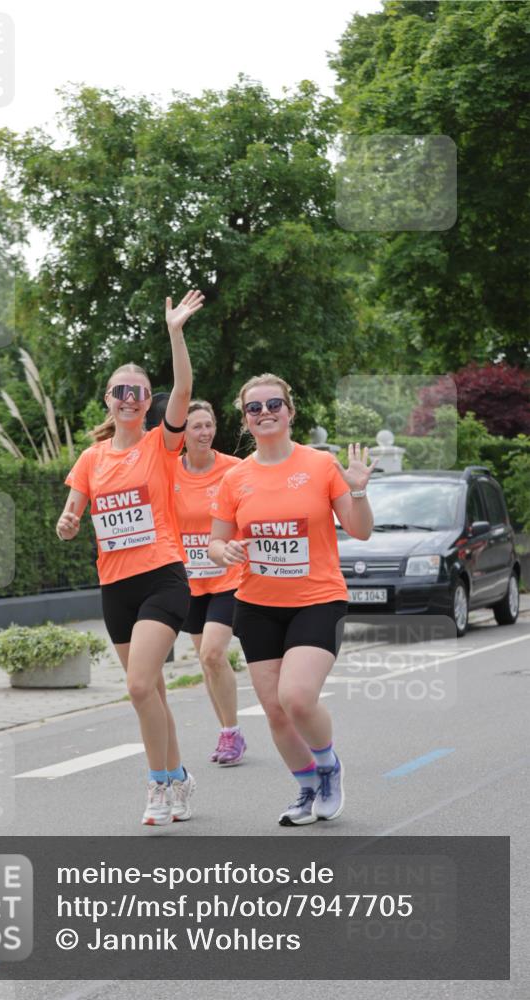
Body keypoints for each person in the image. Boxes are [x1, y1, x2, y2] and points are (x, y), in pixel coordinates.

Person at [56, 289, 205, 826]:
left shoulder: (160, 446)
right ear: (108, 399)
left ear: (148, 402)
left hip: (162, 579)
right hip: (115, 587)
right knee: (153, 692)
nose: (129, 398)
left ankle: (160, 784)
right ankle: (182, 775)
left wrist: (175, 333)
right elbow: (71, 515)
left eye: (138, 392)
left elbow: (184, 388)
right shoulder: (91, 458)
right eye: (120, 390)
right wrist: (68, 522)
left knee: (140, 685)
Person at [207, 373, 376, 826]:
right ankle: (305, 788)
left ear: (290, 411)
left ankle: (327, 767)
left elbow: (360, 530)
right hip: (257, 604)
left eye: (273, 404)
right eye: (254, 408)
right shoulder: (235, 478)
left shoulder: (320, 466)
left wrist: (357, 489)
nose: (265, 413)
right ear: (245, 420)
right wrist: (226, 551)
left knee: (297, 697)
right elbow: (214, 543)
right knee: (276, 711)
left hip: (317, 599)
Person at [174, 400, 247, 765]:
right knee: (207, 663)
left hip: (227, 577)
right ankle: (226, 733)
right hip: (189, 581)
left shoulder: (233, 469)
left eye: (209, 425)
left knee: (213, 654)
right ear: (182, 433)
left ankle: (231, 732)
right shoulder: (168, 472)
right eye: (196, 427)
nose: (204, 433)